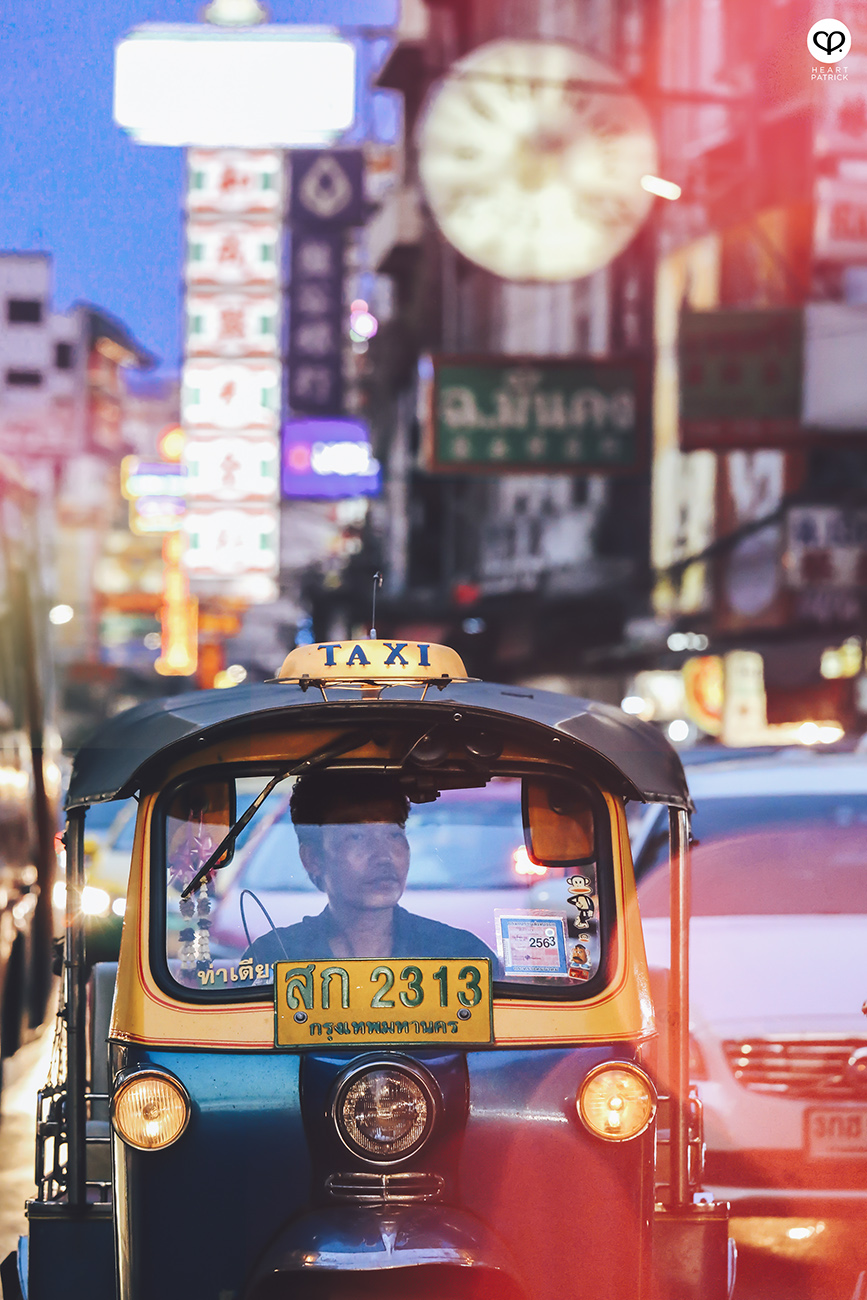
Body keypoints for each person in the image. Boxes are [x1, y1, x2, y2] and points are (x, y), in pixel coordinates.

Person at [244, 770, 499, 966]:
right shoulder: (275, 958)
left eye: (394, 835)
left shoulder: (460, 955)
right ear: (313, 859)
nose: (384, 856)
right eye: (356, 837)